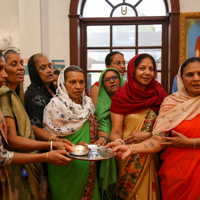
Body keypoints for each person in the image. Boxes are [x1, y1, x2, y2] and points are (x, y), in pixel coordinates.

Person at [110, 57, 200, 200]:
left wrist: (192, 143)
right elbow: (160, 137)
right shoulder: (172, 103)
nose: (196, 79)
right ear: (181, 78)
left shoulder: (159, 94)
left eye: (151, 68)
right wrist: (129, 148)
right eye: (190, 74)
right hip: (175, 171)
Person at [0, 50, 73, 199]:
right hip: (21, 161)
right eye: (14, 65)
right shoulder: (7, 95)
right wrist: (51, 145)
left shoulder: (17, 94)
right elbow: (12, 140)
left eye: (21, 63)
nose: (21, 68)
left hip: (31, 158)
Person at [106, 53, 168, 200]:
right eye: (142, 68)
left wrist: (149, 135)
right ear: (132, 70)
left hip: (151, 153)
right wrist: (118, 143)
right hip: (125, 154)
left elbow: (166, 129)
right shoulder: (121, 96)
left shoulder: (160, 95)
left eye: (151, 69)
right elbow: (115, 130)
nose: (147, 72)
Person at [43, 65, 101, 200]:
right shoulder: (54, 106)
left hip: (87, 163)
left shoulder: (88, 103)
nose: (78, 86)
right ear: (63, 83)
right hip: (63, 164)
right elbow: (49, 136)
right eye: (72, 82)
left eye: (81, 82)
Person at [24, 53, 73, 198]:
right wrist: (55, 140)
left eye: (50, 66)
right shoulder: (33, 94)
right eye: (43, 67)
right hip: (46, 149)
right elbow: (34, 127)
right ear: (34, 71)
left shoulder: (52, 90)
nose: (49, 70)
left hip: (58, 144)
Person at [94, 68, 124, 199]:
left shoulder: (131, 100)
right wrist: (102, 138)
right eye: (107, 79)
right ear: (102, 85)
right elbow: (104, 125)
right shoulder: (101, 106)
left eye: (115, 78)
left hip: (132, 146)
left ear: (121, 80)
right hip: (112, 147)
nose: (111, 81)